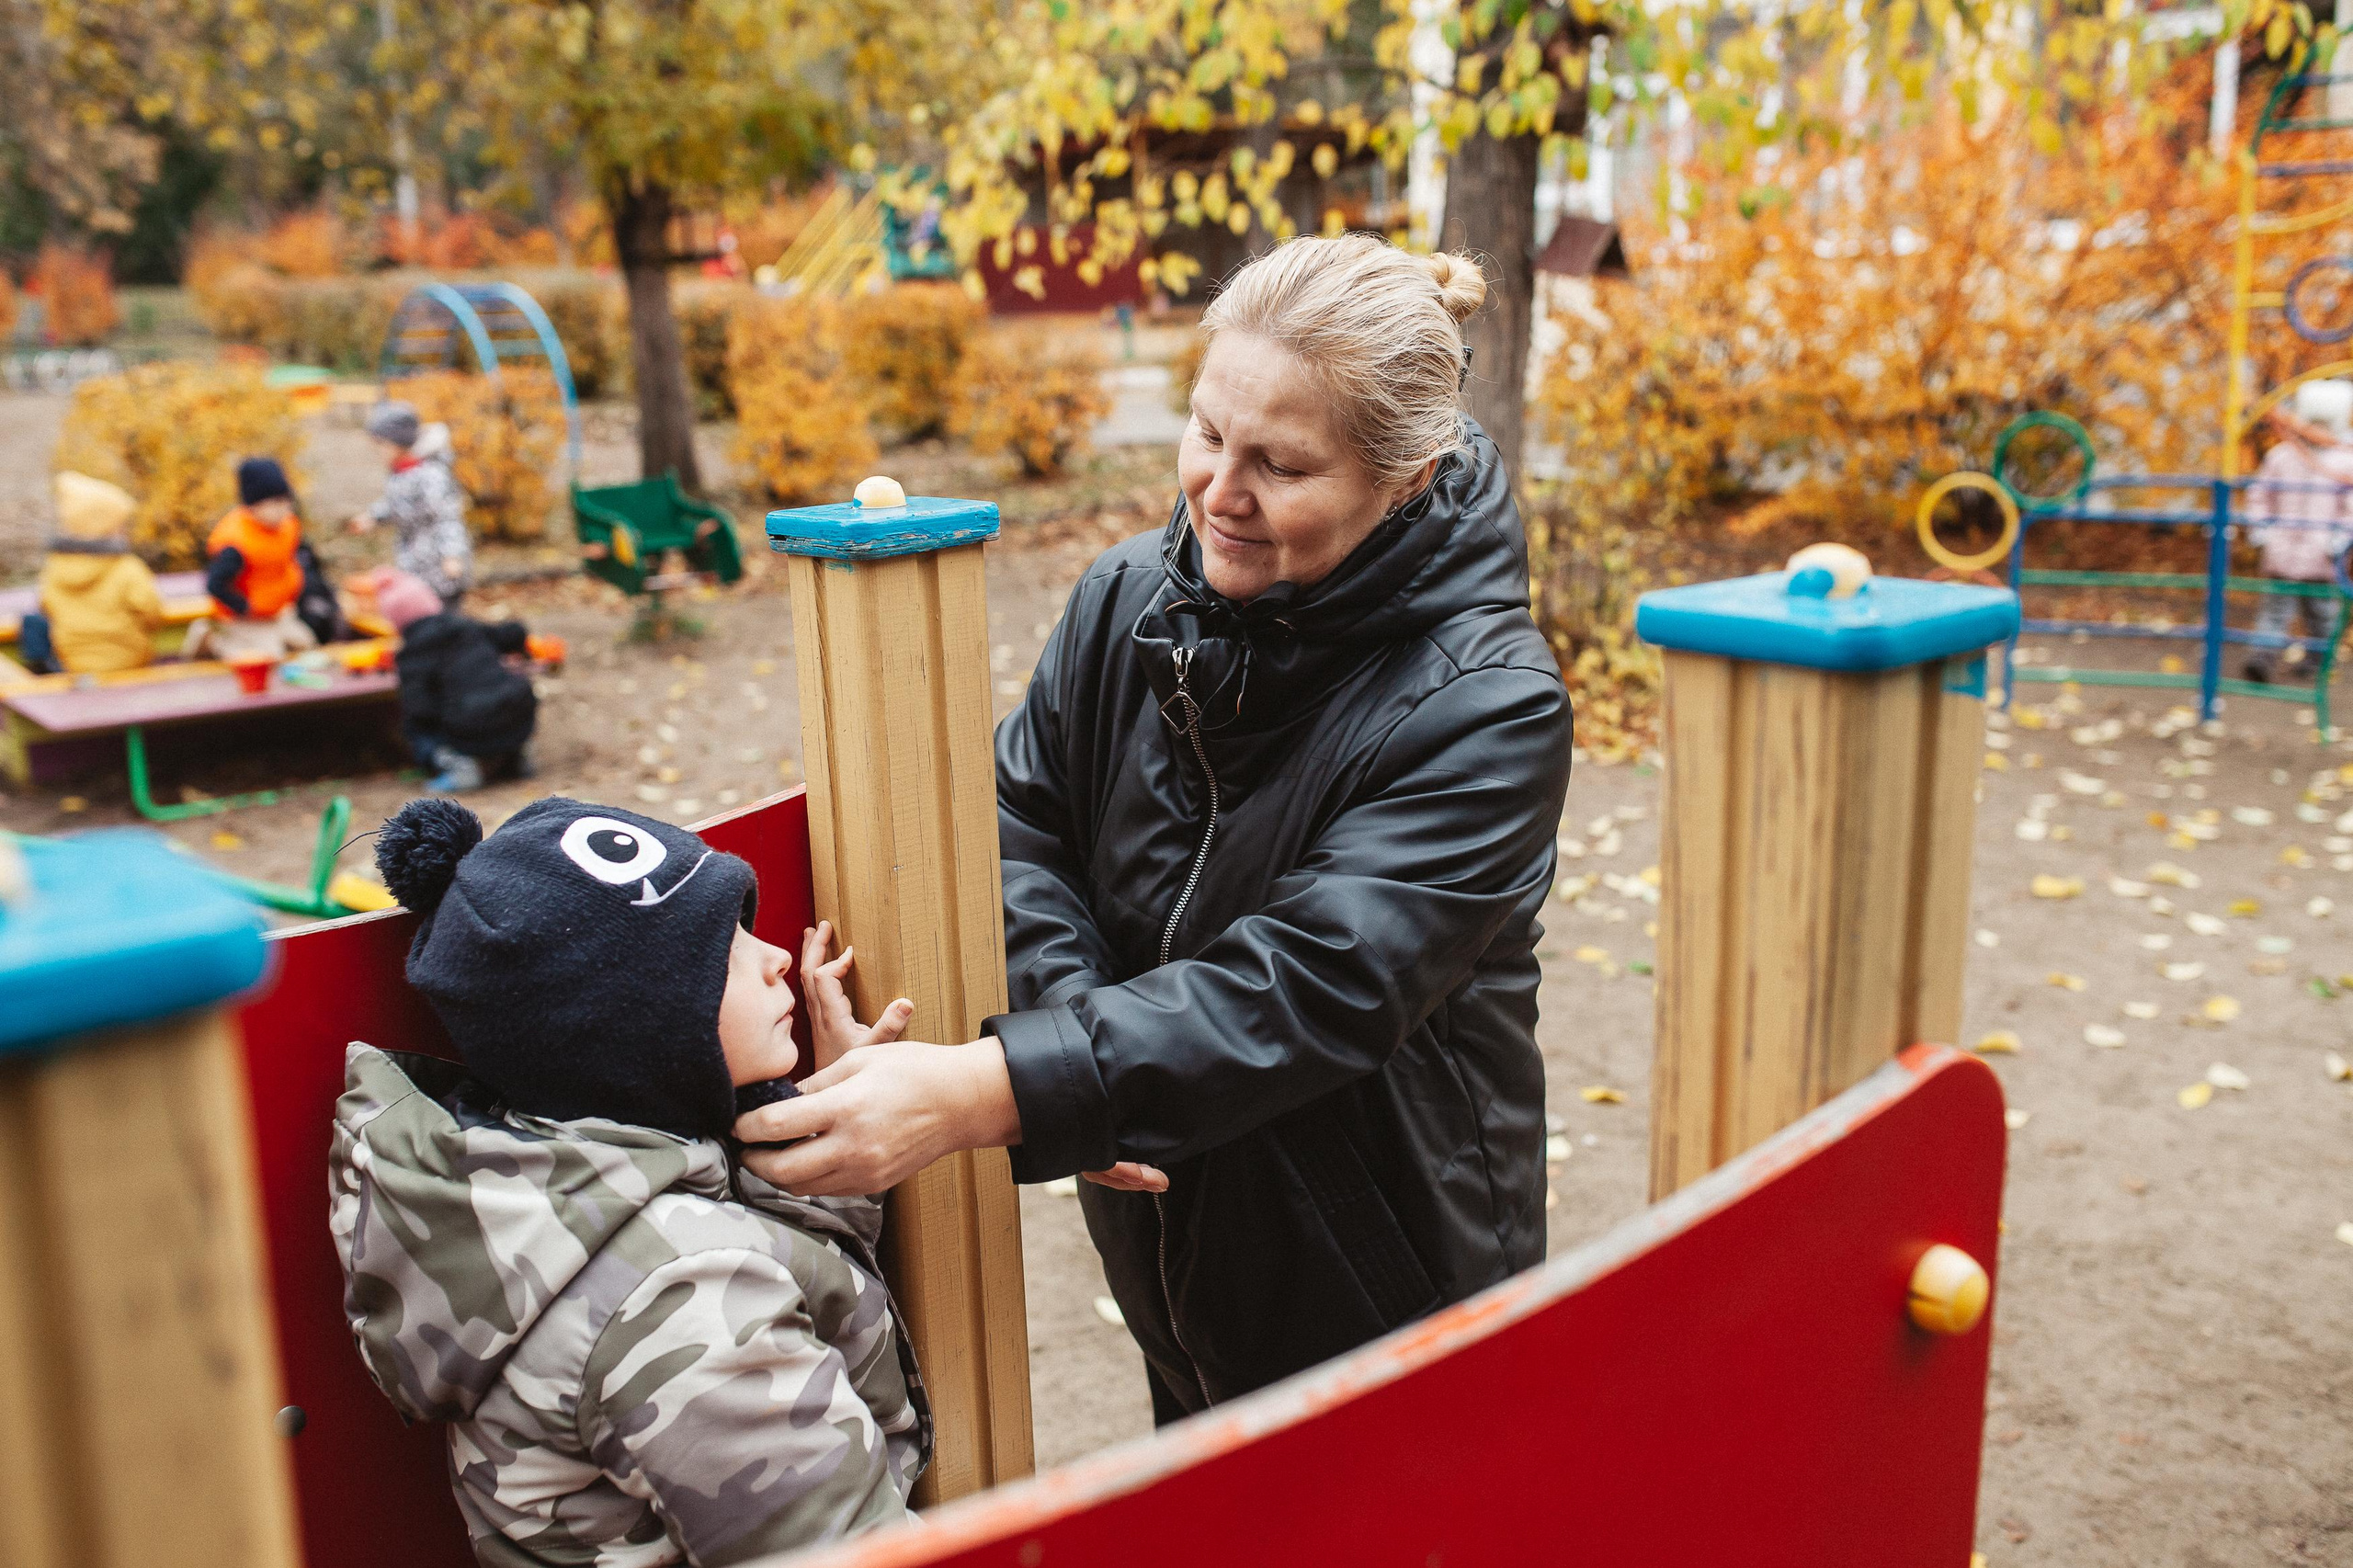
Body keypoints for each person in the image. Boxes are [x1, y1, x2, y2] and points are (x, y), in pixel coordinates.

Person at [733, 235, 1575, 1420]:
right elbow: (1020, 820)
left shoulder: (1486, 704)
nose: (1218, 491)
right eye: (1206, 432)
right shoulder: (1130, 598)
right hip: (1171, 1217)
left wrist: (993, 1089)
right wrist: (1071, 1046)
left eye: (1281, 465)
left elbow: (1311, 983)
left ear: (1408, 478)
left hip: (1387, 1272)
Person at [332, 797, 930, 1566]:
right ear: (635, 1033)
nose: (775, 956)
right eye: (723, 950)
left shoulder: (570, 1176)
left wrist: (823, 1113)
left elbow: (733, 1229)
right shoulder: (683, 1307)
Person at [372, 568, 538, 792]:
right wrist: (521, 647)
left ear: (395, 620)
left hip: (471, 725)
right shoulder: (466, 626)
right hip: (518, 711)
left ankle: (459, 765)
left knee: (416, 727)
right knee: (493, 701)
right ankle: (514, 759)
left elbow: (419, 708)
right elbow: (512, 633)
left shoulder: (412, 654)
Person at [2243, 381, 2353, 682]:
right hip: (2283, 549)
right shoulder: (2283, 456)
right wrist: (2261, 530)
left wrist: (2340, 540)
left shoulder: (2345, 459)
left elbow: (2350, 508)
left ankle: (2320, 658)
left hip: (2321, 555)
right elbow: (2260, 494)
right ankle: (2262, 658)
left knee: (2320, 612)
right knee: (2275, 608)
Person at [185, 457, 321, 663]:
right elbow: (215, 584)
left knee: (306, 644)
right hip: (243, 619)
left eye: (286, 501)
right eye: (275, 503)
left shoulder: (287, 526)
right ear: (253, 506)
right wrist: (245, 608)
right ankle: (213, 636)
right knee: (268, 658)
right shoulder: (236, 542)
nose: (283, 509)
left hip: (275, 613)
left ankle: (235, 638)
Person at [30, 472, 164, 675]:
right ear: (108, 526)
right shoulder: (127, 567)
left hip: (74, 665)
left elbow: (46, 606)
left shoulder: (54, 569)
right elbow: (153, 615)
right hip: (129, 663)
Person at [347, 400, 472, 605]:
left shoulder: (430, 475)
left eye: (381, 445)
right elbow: (397, 503)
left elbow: (447, 517)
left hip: (439, 566)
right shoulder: (401, 471)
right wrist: (373, 517)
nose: (378, 452)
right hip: (414, 561)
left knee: (440, 620)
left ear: (399, 443)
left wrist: (452, 555)